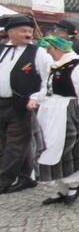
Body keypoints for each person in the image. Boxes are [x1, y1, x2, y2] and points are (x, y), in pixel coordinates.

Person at [35, 36, 79, 205]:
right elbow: (46, 88)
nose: (47, 52)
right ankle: (60, 188)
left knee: (67, 149)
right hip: (49, 112)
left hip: (67, 111)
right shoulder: (55, 66)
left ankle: (74, 184)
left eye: (49, 49)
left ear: (57, 48)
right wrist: (37, 100)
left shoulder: (78, 66)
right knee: (48, 149)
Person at [0, 15, 51, 194]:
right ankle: (26, 177)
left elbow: (48, 79)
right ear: (10, 32)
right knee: (4, 142)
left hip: (21, 105)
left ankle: (3, 179)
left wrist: (36, 98)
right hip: (1, 103)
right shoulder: (1, 49)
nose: (28, 34)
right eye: (23, 30)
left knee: (15, 144)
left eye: (30, 31)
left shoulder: (38, 53)